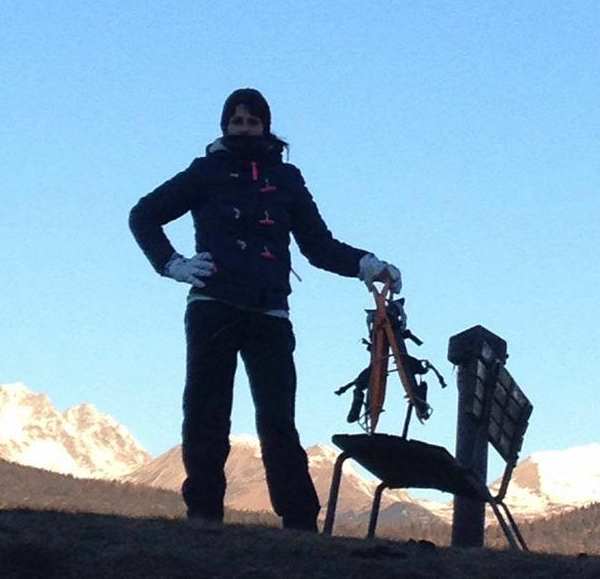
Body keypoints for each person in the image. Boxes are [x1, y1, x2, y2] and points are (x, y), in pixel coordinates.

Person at [128, 88, 401, 532]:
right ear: (224, 126)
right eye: (236, 122)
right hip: (212, 305)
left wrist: (365, 264)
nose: (244, 129)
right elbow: (144, 215)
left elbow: (318, 245)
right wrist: (171, 264)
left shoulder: (287, 179)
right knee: (205, 413)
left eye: (252, 122)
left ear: (266, 127)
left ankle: (299, 523)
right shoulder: (204, 173)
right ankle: (203, 517)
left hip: (270, 312)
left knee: (277, 420)